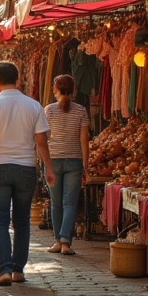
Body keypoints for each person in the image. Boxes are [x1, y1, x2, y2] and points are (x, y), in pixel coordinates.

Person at [0, 61, 54, 287]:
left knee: (0, 221)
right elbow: (41, 140)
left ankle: (4, 269)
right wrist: (49, 168)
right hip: (26, 168)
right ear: (19, 79)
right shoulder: (33, 106)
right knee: (22, 222)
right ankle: (18, 269)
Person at [44, 74, 90, 255]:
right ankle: (65, 242)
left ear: (56, 89)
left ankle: (58, 240)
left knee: (56, 203)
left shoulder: (49, 110)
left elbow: (44, 137)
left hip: (53, 160)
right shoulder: (81, 111)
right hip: (74, 161)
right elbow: (84, 139)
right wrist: (85, 165)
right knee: (69, 203)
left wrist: (44, 161)